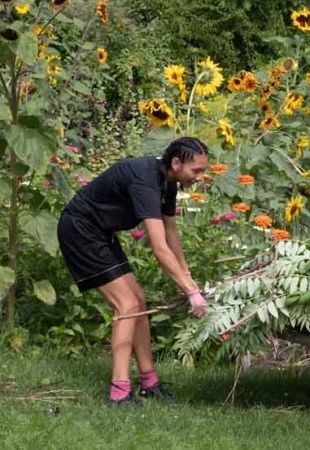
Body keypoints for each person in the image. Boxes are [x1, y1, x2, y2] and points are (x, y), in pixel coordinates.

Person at [57, 137, 210, 405]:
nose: (200, 176)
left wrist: (187, 279)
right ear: (176, 162)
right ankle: (118, 393)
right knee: (127, 305)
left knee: (138, 301)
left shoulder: (167, 181)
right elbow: (159, 248)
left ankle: (149, 383)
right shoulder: (144, 180)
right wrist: (192, 293)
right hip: (80, 230)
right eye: (196, 170)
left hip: (100, 232)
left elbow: (171, 233)